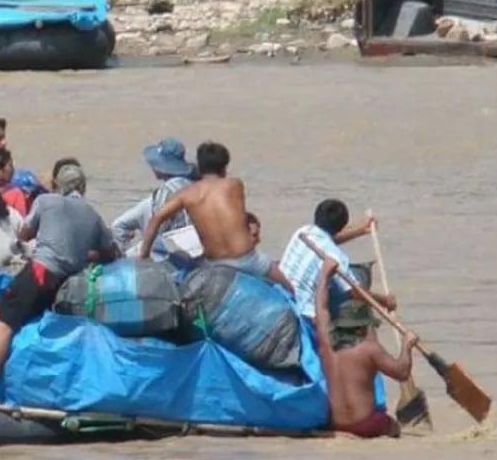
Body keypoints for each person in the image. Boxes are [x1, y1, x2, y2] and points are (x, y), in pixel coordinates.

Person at [0, 163, 118, 401]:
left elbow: (25, 234)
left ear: (56, 185)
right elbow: (109, 252)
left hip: (39, 272)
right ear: (82, 187)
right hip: (61, 280)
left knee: (3, 324)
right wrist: (79, 251)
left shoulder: (46, 202)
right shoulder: (93, 215)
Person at [138, 141, 294, 292]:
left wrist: (144, 256)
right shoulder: (234, 184)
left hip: (215, 263)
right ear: (224, 168)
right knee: (287, 285)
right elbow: (236, 214)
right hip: (247, 259)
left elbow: (156, 219)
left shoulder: (186, 194)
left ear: (199, 166)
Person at [314, 259, 418, 438]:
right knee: (392, 425)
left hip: (335, 422)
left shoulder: (326, 347)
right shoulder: (369, 350)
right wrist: (407, 345)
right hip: (364, 424)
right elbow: (401, 373)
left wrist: (324, 274)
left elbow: (321, 310)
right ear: (363, 327)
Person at [279, 198, 396, 326]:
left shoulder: (303, 231)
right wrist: (385, 301)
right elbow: (356, 292)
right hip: (303, 310)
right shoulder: (336, 256)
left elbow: (327, 239)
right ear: (341, 226)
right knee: (349, 288)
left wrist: (361, 229)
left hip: (281, 296)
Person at [111, 136, 197, 257]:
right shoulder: (193, 186)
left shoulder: (167, 190)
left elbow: (159, 225)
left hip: (171, 250)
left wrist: (142, 252)